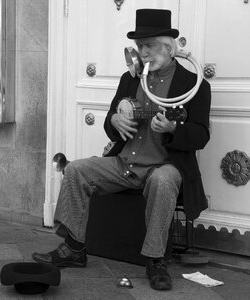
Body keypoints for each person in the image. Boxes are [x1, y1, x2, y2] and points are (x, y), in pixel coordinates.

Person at [32, 9, 211, 291]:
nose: (144, 52)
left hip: (163, 166)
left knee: (163, 180)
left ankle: (155, 261)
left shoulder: (195, 85)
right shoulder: (130, 79)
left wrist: (174, 129)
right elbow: (110, 122)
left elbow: (201, 135)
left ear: (168, 47)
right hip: (125, 163)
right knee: (77, 170)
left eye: (150, 45)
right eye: (140, 46)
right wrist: (115, 119)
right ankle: (74, 248)